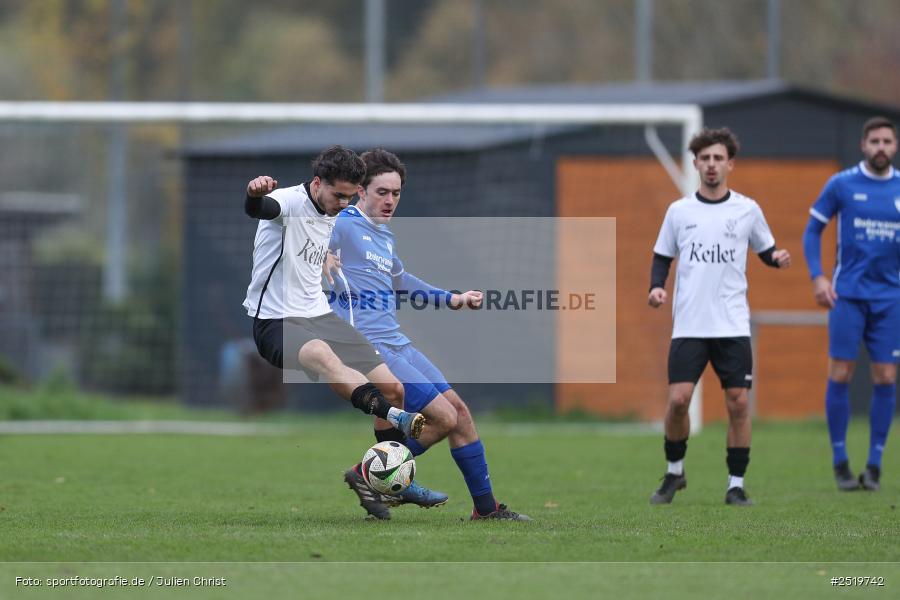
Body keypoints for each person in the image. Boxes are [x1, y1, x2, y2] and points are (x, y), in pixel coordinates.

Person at [325, 148, 530, 521]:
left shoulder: (383, 236)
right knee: (444, 418)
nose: (390, 200)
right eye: (382, 192)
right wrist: (320, 255)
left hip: (397, 343)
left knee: (460, 414)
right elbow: (301, 233)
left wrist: (452, 299)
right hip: (368, 346)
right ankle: (372, 475)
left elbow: (401, 280)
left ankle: (486, 510)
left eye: (396, 193)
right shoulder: (343, 223)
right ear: (361, 191)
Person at [242, 145, 426, 444]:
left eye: (349, 196)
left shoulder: (332, 211)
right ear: (317, 183)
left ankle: (390, 471)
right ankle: (396, 417)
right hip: (277, 321)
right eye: (338, 195)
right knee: (323, 355)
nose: (343, 203)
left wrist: (326, 255)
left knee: (393, 389)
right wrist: (254, 194)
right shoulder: (289, 202)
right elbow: (260, 208)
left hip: (320, 316)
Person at [647, 127, 791, 506]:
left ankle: (735, 485)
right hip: (689, 324)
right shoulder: (679, 212)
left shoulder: (747, 209)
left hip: (731, 324)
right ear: (695, 164)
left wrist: (776, 258)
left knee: (738, 402)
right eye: (705, 158)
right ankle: (674, 472)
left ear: (730, 164)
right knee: (678, 401)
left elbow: (766, 248)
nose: (712, 165)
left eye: (718, 158)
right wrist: (656, 287)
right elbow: (662, 255)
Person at [802, 116, 900, 492]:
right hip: (848, 296)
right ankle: (840, 462)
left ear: (894, 146)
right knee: (840, 372)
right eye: (874, 141)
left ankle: (874, 465)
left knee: (886, 377)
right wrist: (818, 277)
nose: (880, 147)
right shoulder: (842, 184)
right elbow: (812, 230)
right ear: (863, 145)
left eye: (887, 141)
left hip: (890, 300)